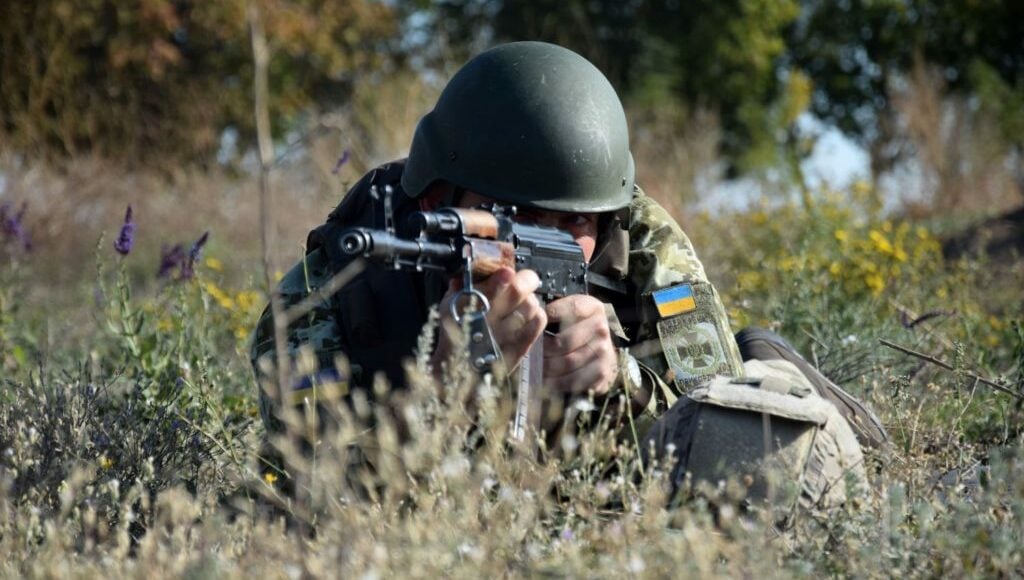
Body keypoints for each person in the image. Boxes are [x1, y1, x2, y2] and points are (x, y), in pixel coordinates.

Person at [251, 41, 885, 510]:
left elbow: (711, 403)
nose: (546, 236)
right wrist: (440, 391)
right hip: (455, 499)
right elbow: (311, 495)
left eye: (574, 221)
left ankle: (788, 376)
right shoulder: (327, 295)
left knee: (760, 428)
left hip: (611, 474)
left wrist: (622, 385)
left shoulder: (642, 240)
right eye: (514, 214)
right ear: (435, 200)